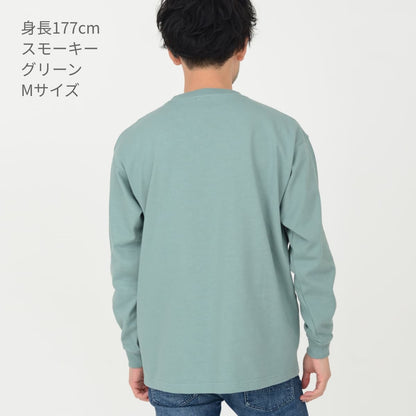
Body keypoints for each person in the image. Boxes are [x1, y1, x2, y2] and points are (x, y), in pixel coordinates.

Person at [108, 1, 337, 415]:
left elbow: (127, 263)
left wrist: (135, 351)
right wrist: (319, 343)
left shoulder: (135, 143)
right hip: (264, 360)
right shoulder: (283, 135)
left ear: (172, 52)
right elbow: (309, 251)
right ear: (243, 45)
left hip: (172, 361)